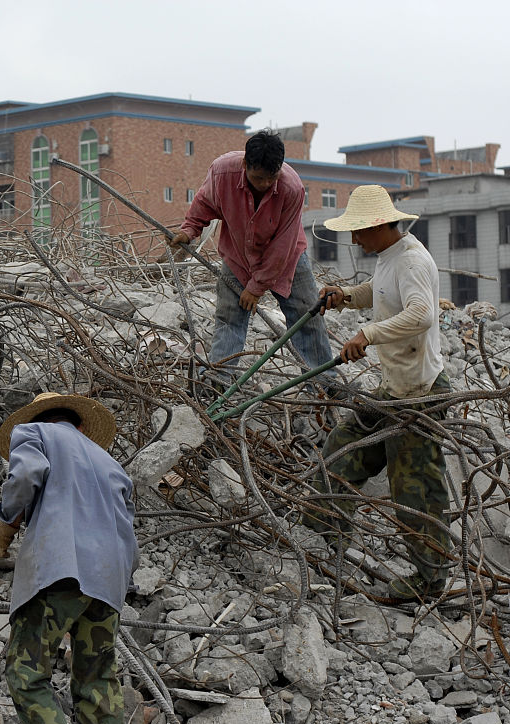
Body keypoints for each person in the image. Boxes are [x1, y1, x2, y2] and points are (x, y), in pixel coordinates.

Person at [0, 393, 143, 724]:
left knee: (26, 672)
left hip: (60, 570)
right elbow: (130, 532)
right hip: (109, 582)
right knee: (97, 676)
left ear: (43, 418)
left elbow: (26, 475)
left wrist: (5, 522)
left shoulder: (32, 432)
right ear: (82, 426)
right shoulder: (110, 463)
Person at [306, 185, 451, 602]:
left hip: (419, 394)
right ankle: (322, 535)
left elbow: (421, 313)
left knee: (414, 488)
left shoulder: (413, 261)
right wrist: (346, 297)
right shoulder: (391, 258)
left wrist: (367, 334)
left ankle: (430, 580)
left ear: (379, 225)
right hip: (393, 389)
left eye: (359, 231)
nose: (354, 240)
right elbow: (380, 292)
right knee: (343, 447)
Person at [169, 130, 335, 380]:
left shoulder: (292, 188)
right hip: (238, 255)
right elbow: (204, 203)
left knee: (305, 318)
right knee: (229, 318)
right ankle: (219, 379)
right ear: (245, 164)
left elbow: (283, 245)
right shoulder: (222, 172)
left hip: (287, 258)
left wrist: (256, 287)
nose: (266, 184)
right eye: (259, 178)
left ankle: (323, 383)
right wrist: (190, 230)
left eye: (272, 178)